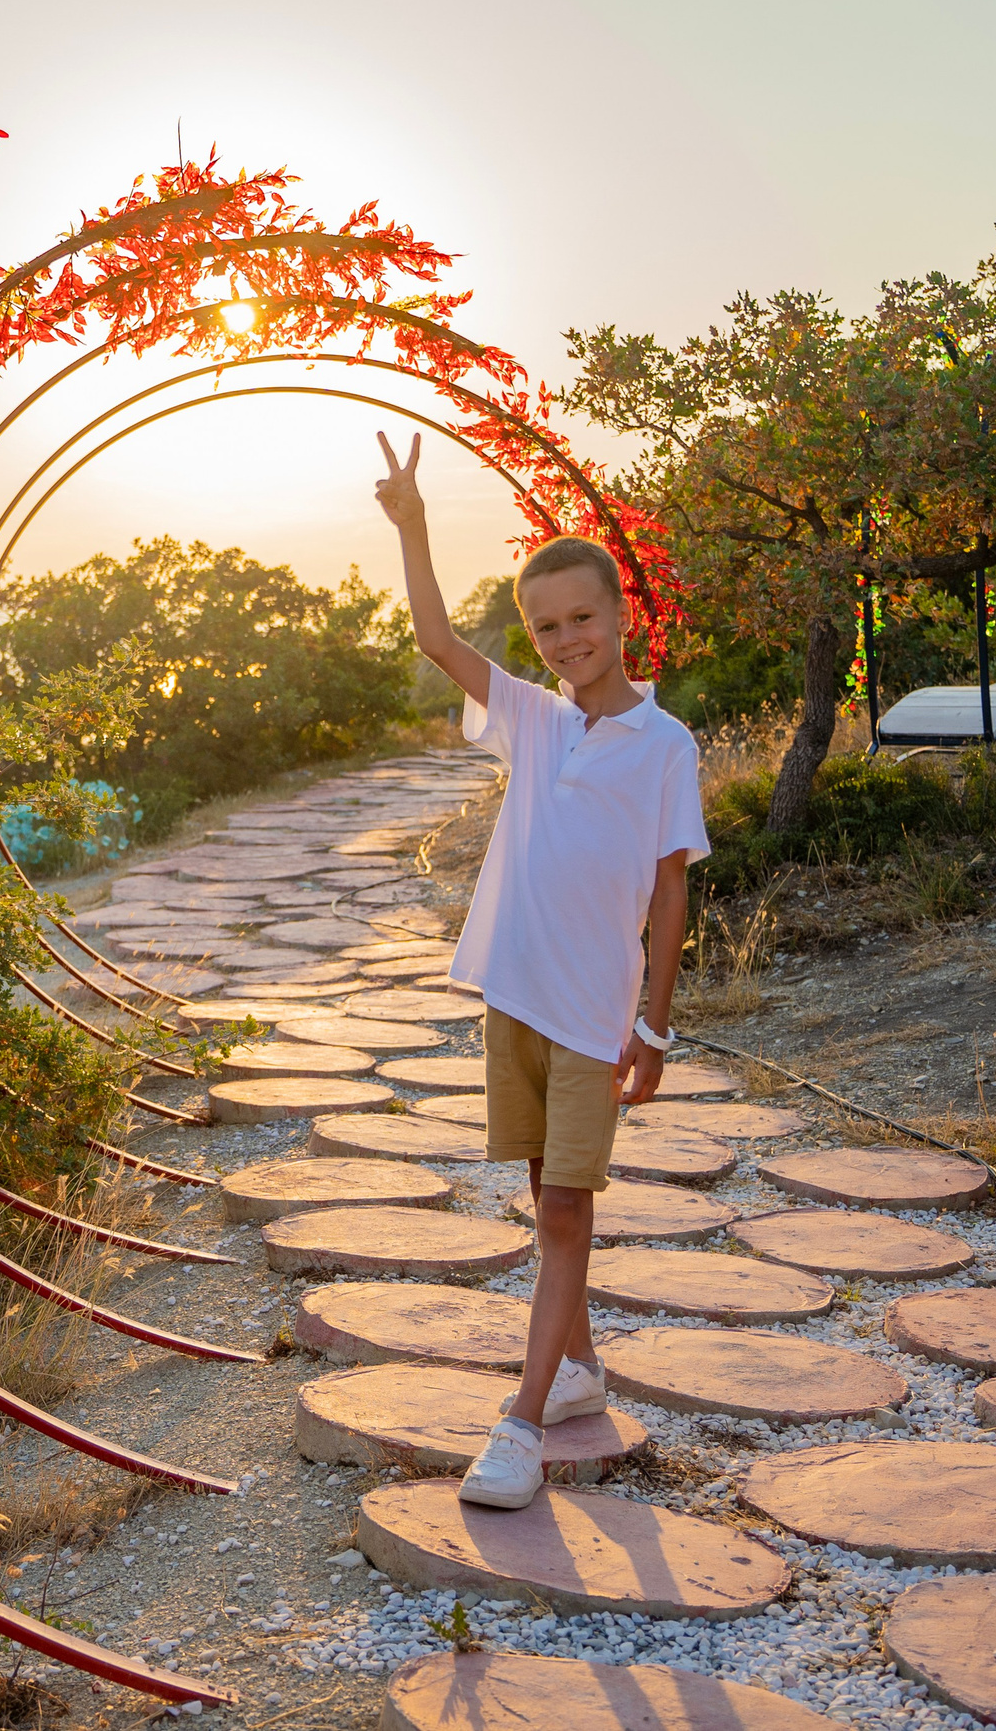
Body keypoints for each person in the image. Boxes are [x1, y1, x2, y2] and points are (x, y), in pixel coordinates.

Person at [372, 431, 708, 1510]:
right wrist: (415, 527)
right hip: (513, 991)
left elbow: (669, 890)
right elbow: (431, 636)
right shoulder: (527, 714)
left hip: (590, 1012)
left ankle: (519, 1421)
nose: (566, 640)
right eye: (545, 626)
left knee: (565, 1204)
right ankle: (578, 1370)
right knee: (542, 1193)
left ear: (620, 620)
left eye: (582, 619)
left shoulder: (665, 744)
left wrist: (652, 1027)